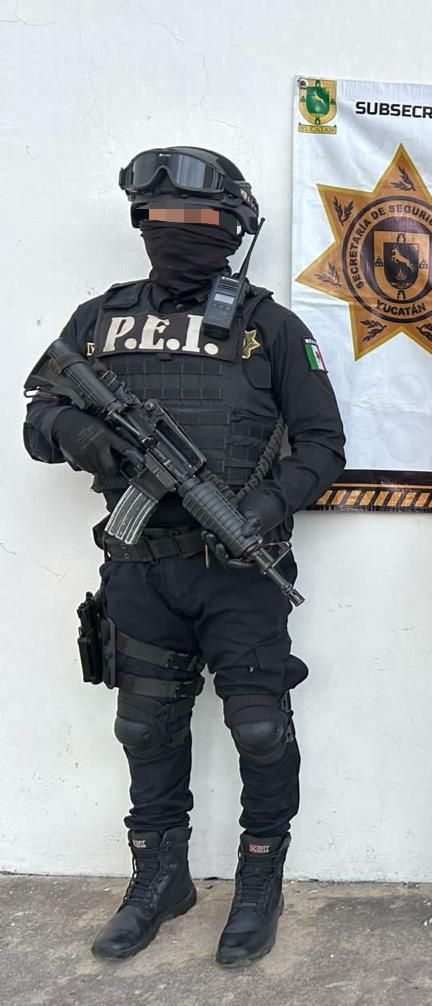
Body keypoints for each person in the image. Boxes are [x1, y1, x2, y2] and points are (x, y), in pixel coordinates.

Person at [22, 147, 345, 965]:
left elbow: (323, 445)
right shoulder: (99, 320)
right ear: (140, 224)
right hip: (140, 565)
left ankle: (260, 879)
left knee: (260, 728)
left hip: (241, 574)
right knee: (145, 726)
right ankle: (159, 880)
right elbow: (39, 418)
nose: (180, 233)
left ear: (235, 230)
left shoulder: (271, 327)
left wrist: (261, 509)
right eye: (162, 220)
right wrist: (86, 436)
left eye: (200, 221)